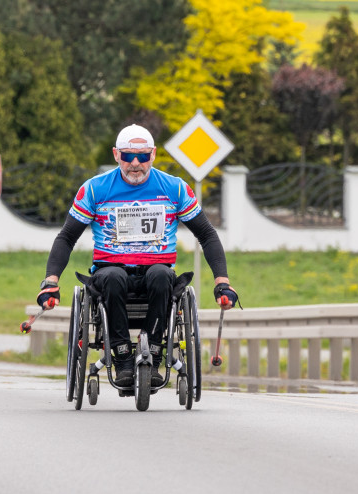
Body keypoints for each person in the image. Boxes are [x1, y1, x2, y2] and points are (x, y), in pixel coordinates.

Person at [36, 124, 238, 388]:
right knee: (113, 277)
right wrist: (50, 282)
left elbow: (208, 235)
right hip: (111, 270)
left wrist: (222, 281)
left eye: (142, 156)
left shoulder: (175, 188)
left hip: (156, 269)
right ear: (115, 155)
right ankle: (121, 358)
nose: (135, 163)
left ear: (152, 155)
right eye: (127, 155)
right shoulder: (95, 190)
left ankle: (154, 353)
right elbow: (66, 237)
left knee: (161, 275)